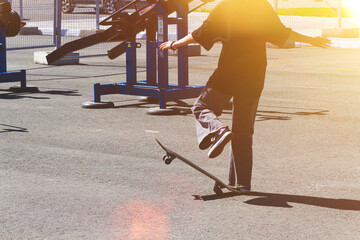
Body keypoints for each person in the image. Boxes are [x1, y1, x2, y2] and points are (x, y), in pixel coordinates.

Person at [159, 0, 331, 192]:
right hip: (254, 77)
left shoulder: (226, 6)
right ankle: (242, 184)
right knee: (243, 132)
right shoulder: (262, 6)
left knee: (201, 107)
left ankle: (217, 131)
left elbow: (202, 33)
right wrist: (312, 40)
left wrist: (175, 43)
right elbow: (283, 33)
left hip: (229, 73)